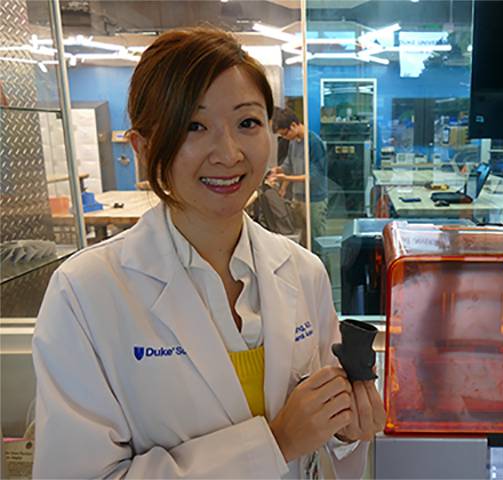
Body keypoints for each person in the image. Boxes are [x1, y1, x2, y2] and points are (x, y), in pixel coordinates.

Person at [31, 27, 384, 478]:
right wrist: (275, 442)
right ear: (142, 147)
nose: (228, 152)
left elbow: (323, 445)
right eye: (193, 126)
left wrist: (345, 429)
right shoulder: (85, 292)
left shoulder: (302, 271)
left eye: (247, 123)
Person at [269, 108, 329, 242]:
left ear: (294, 125)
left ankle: (322, 263)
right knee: (303, 240)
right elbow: (288, 165)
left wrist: (286, 178)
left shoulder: (313, 143)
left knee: (317, 241)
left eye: (285, 134)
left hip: (314, 200)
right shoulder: (293, 142)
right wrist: (277, 170)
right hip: (299, 198)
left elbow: (313, 177)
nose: (284, 138)